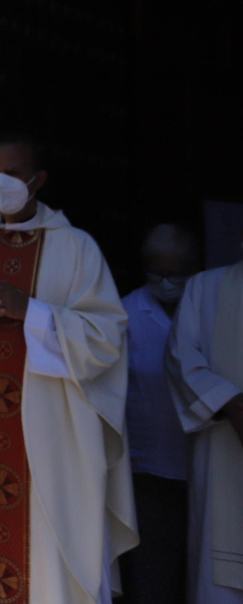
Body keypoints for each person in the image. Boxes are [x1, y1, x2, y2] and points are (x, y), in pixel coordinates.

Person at [0, 136, 136, 604]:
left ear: (38, 179)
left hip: (52, 444)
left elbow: (106, 337)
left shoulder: (77, 249)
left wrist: (29, 311)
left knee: (49, 563)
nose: (2, 184)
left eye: (13, 173)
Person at [122, 224, 201, 604]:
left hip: (202, 465)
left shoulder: (205, 306)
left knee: (200, 573)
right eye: (158, 270)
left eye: (175, 272)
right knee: (154, 573)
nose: (166, 281)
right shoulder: (127, 312)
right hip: (147, 469)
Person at [165, 258, 243, 604]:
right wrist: (230, 402)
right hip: (222, 446)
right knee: (220, 575)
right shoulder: (205, 287)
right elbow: (180, 355)